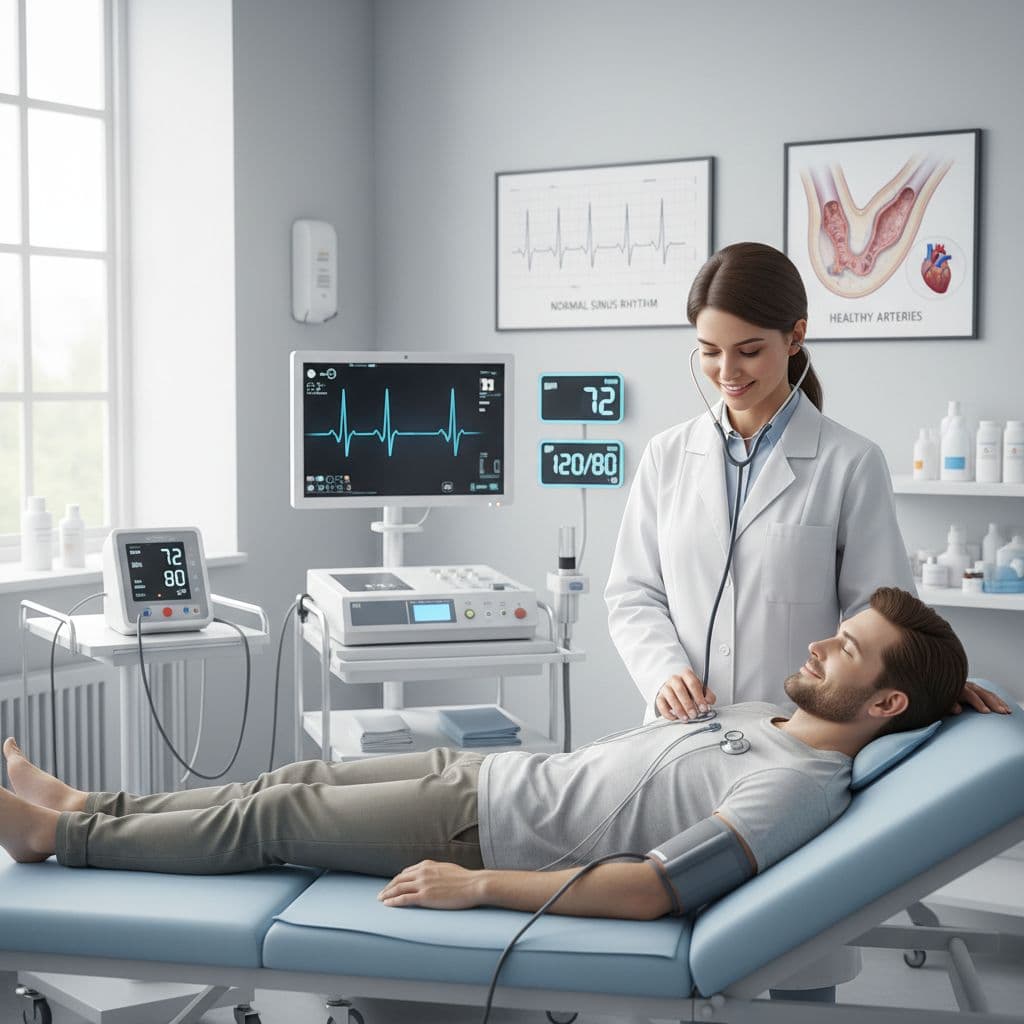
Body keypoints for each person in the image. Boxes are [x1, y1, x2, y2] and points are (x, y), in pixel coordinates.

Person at [0, 588, 978, 920]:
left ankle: (62, 839)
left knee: (273, 820)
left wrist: (479, 888)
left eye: (842, 648)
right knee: (282, 781)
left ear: (885, 699)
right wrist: (946, 694)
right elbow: (904, 690)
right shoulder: (774, 716)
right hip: (490, 778)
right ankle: (89, 806)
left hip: (481, 830)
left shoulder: (796, 786)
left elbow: (651, 888)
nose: (817, 643)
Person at [605, 241, 1005, 724]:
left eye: (749, 351)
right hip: (676, 732)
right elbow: (633, 593)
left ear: (796, 337)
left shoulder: (851, 463)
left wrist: (935, 683)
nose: (727, 372)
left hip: (792, 732)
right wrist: (663, 672)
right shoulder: (666, 456)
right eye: (709, 351)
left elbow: (880, 615)